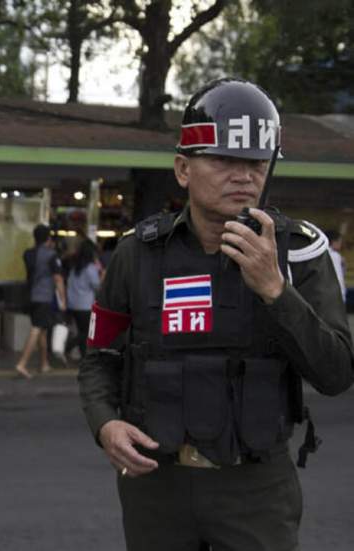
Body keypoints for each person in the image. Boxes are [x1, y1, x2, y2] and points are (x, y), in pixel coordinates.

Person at [78, 78, 354, 551]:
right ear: (184, 169)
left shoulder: (300, 253)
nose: (244, 176)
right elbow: (100, 357)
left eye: (255, 163)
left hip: (256, 492)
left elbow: (335, 373)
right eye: (224, 160)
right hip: (155, 486)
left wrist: (275, 289)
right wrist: (105, 423)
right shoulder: (136, 255)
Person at [15, 224, 66, 377]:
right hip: (43, 296)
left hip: (30, 296)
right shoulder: (51, 255)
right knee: (37, 328)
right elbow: (58, 279)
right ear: (48, 238)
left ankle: (44, 364)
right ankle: (22, 364)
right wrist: (63, 300)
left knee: (42, 330)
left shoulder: (28, 253)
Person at [64, 238, 102, 361]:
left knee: (82, 331)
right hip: (85, 305)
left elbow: (68, 284)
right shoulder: (90, 268)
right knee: (85, 332)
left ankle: (83, 356)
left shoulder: (75, 266)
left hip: (73, 304)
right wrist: (101, 272)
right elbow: (97, 285)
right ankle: (69, 346)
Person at [324, 229, 346, 303]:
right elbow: (338, 277)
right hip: (335, 294)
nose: (341, 244)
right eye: (339, 242)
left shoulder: (324, 253)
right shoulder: (335, 256)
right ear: (334, 242)